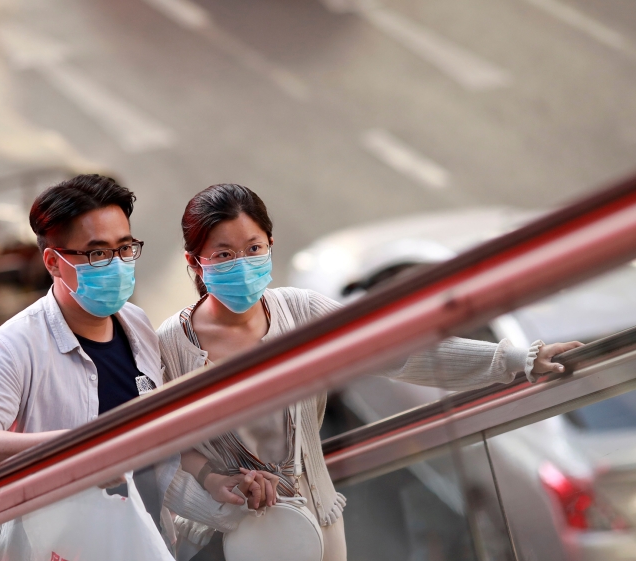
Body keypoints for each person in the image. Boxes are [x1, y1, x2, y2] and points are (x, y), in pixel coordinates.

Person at [158, 183, 582, 561]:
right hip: (231, 537)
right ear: (195, 263)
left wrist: (515, 360)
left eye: (254, 249)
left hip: (319, 521)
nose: (243, 265)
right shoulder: (171, 344)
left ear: (270, 243)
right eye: (225, 255)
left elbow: (398, 350)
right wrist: (215, 483)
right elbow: (165, 448)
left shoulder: (300, 311)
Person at [0, 174, 169, 517]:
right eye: (96, 253)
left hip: (153, 538)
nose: (117, 264)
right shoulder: (15, 346)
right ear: (53, 262)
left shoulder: (136, 322)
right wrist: (78, 448)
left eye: (124, 248)